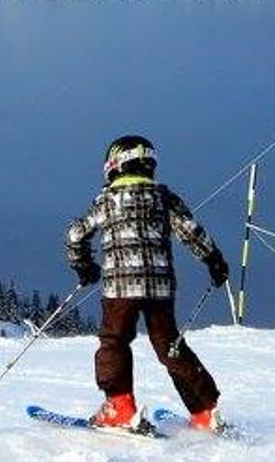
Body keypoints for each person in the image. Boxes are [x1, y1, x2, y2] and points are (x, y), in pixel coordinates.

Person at [65, 134, 230, 431]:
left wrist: (84, 265)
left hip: (120, 289)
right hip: (160, 289)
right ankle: (205, 410)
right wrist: (214, 260)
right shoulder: (164, 197)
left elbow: (77, 233)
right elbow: (191, 232)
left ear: (114, 165)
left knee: (114, 341)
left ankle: (119, 406)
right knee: (171, 347)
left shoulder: (107, 200)